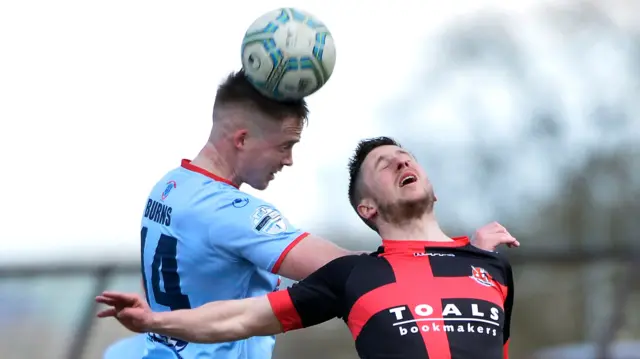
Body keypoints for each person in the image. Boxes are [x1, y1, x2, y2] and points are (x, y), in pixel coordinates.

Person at [98, 136, 516, 359]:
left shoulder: (491, 268)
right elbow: (239, 318)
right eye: (383, 164)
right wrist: (155, 321)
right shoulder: (353, 276)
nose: (402, 163)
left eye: (406, 157)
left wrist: (476, 254)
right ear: (366, 208)